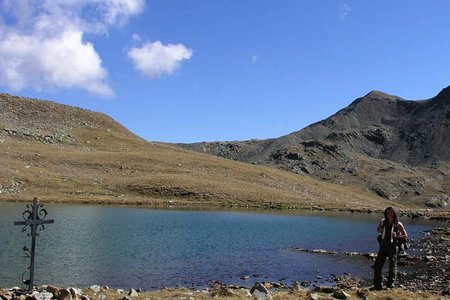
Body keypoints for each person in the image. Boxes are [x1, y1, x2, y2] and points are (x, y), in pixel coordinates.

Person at [372, 206, 408, 290]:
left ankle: (390, 285)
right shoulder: (382, 221)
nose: (389, 214)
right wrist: (380, 228)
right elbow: (378, 230)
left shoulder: (398, 224)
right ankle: (377, 285)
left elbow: (405, 236)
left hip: (393, 247)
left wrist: (397, 235)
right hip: (383, 246)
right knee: (377, 265)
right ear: (385, 213)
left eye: (391, 213)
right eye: (388, 213)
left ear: (394, 213)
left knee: (392, 266)